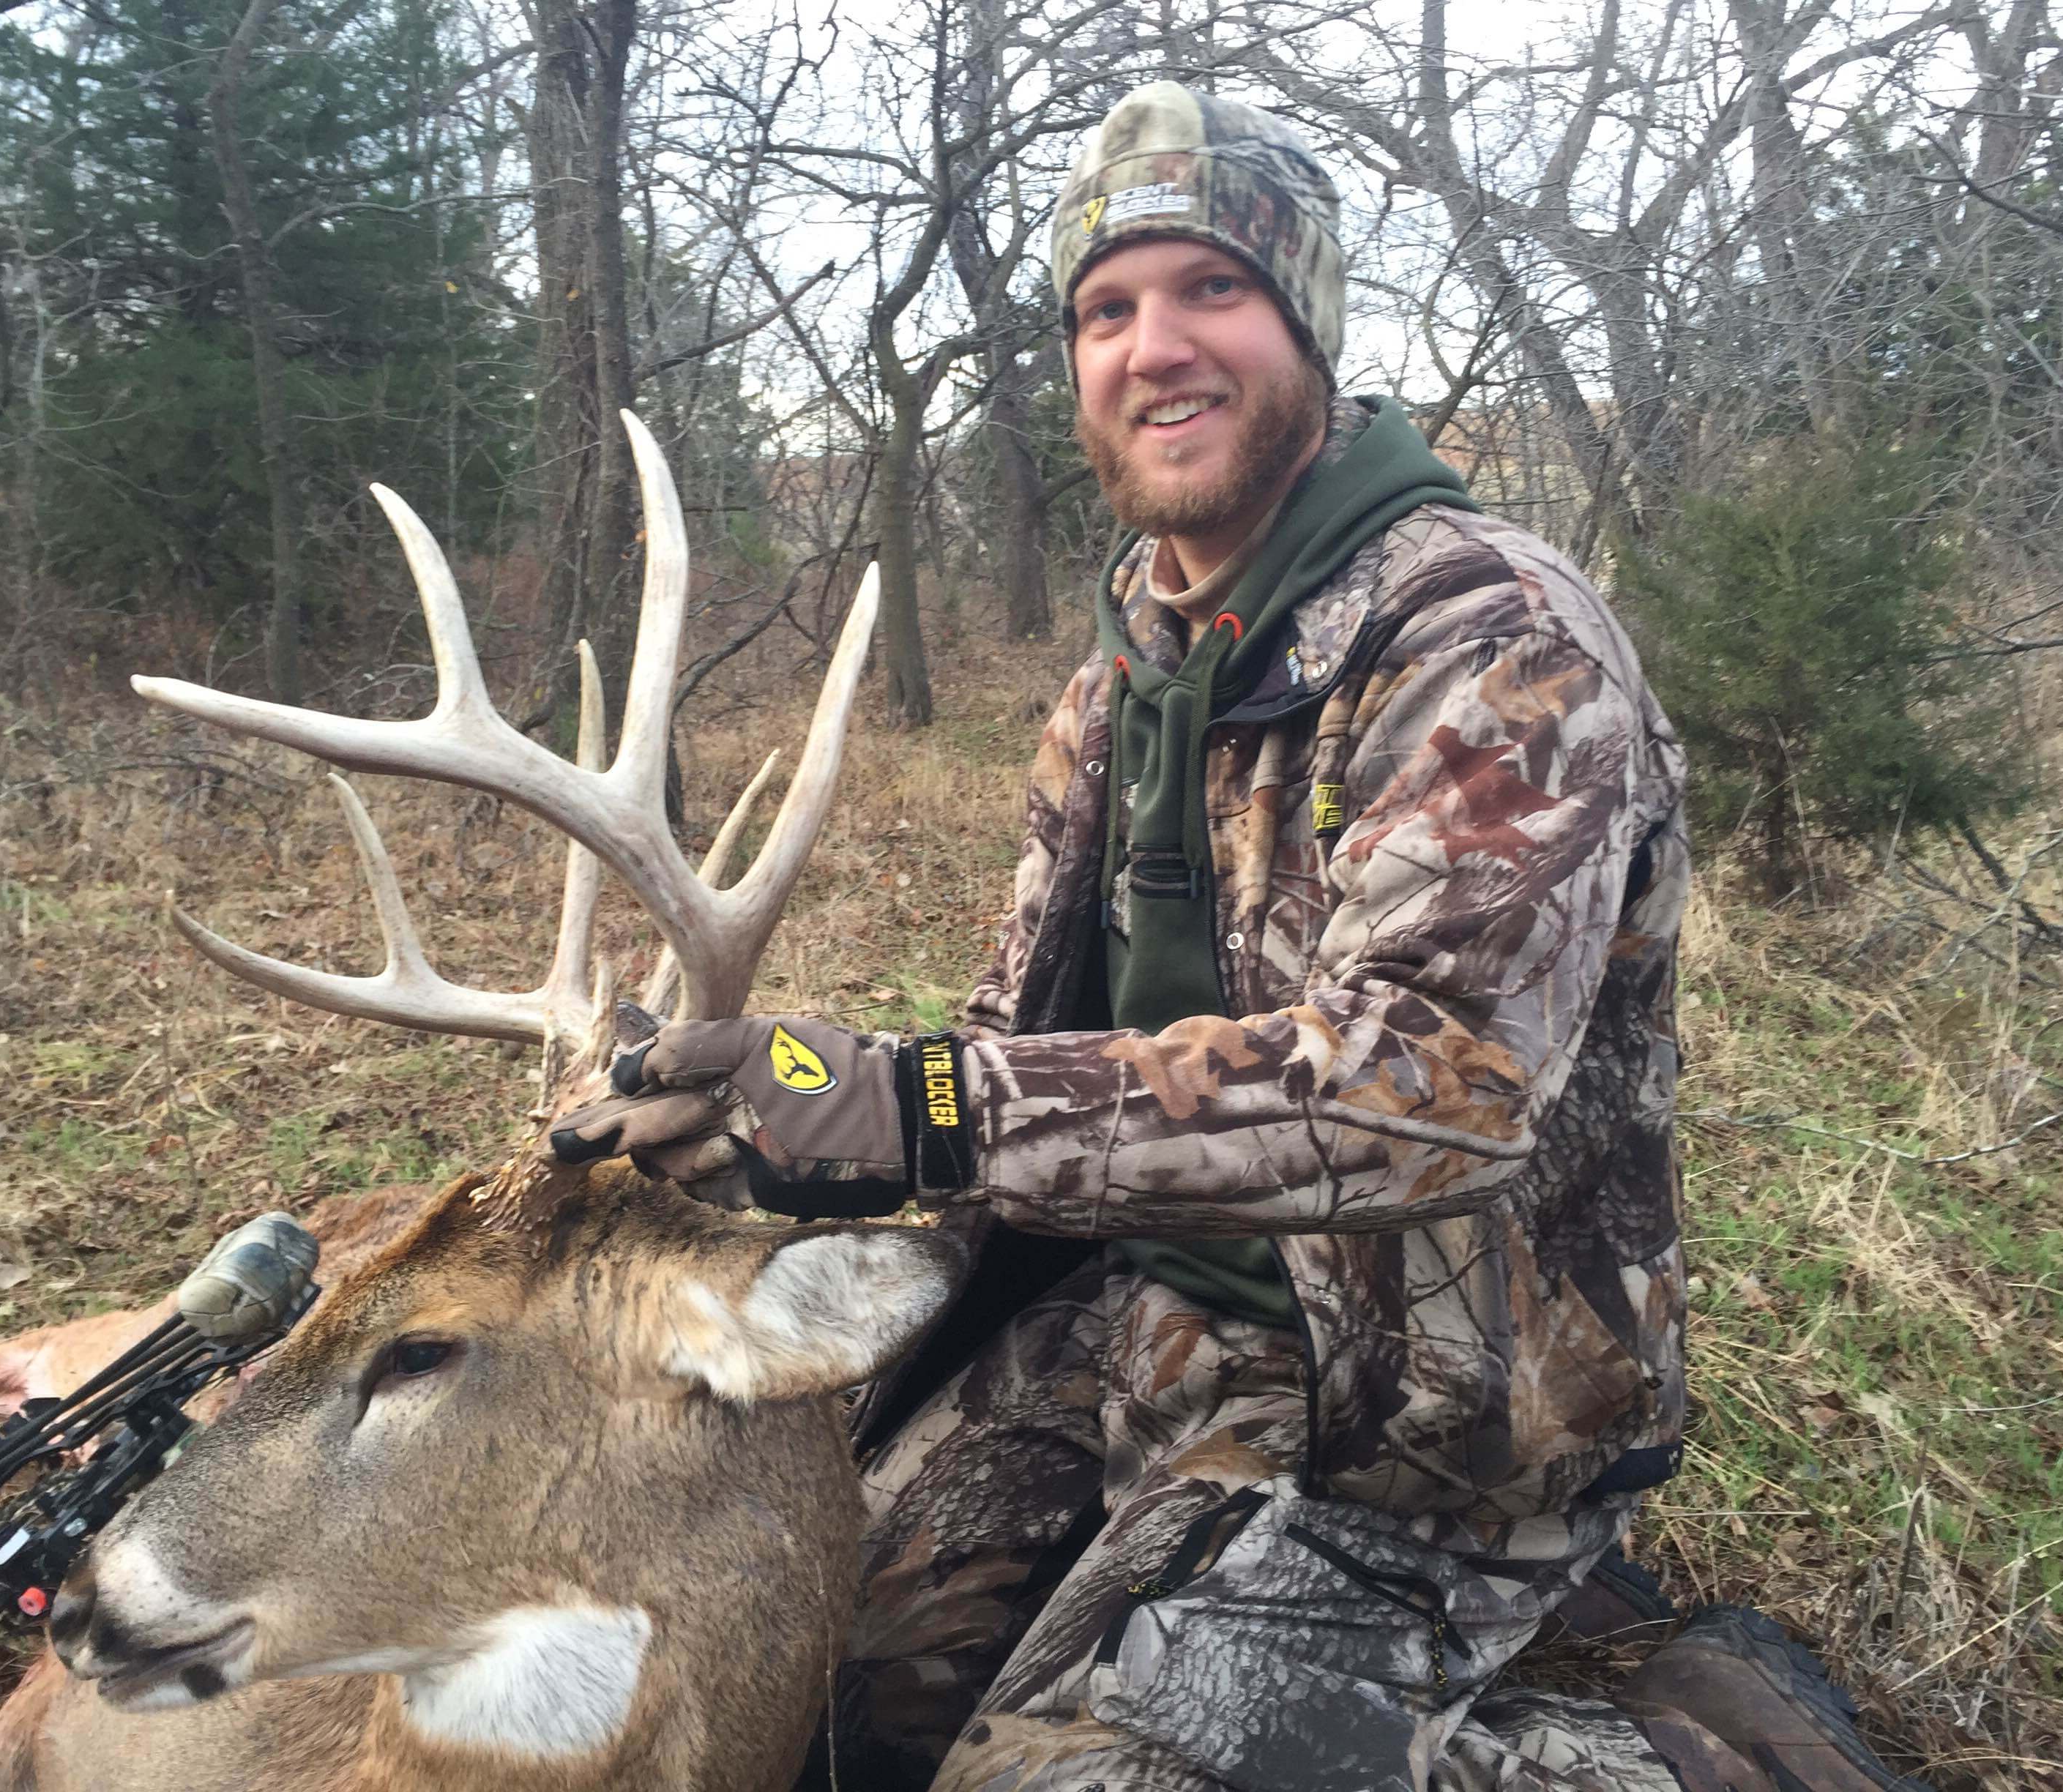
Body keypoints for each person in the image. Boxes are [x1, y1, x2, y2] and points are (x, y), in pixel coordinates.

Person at [556, 81, 1928, 1792]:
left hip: (1416, 1413)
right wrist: (788, 1125)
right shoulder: (1125, 673)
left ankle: (1707, 1756)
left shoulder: (1495, 642)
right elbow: (1023, 1054)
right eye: (1107, 310)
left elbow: (1433, 1088)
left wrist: (917, 1104)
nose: (1157, 347)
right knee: (797, 1706)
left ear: (1310, 325)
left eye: (1215, 289)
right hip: (1127, 1327)